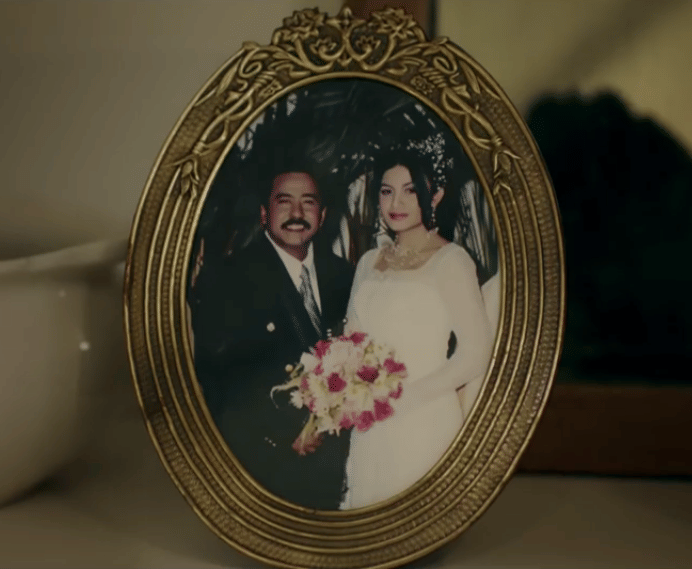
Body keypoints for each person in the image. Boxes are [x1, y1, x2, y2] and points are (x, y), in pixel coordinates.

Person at [191, 157, 354, 511]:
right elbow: (217, 376)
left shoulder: (345, 276)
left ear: (322, 215)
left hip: (340, 464)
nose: (297, 213)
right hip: (266, 465)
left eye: (308, 202)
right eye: (284, 201)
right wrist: (284, 431)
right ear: (264, 214)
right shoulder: (229, 278)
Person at [339, 147, 495, 510]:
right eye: (387, 191)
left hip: (424, 415)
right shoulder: (368, 261)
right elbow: (351, 341)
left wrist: (405, 397)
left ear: (435, 195)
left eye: (410, 191)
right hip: (370, 418)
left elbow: (475, 353)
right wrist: (345, 385)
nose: (396, 203)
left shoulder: (451, 261)